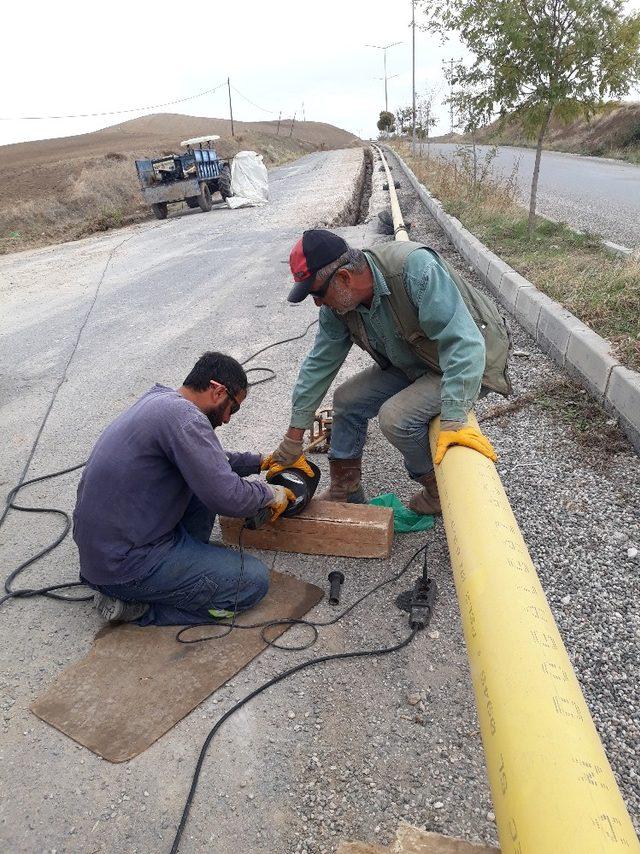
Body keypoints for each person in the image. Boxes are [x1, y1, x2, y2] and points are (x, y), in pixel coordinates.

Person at [263, 230, 511, 515]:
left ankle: (439, 491)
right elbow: (319, 365)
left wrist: (454, 422)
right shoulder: (337, 308)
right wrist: (292, 441)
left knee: (397, 418)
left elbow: (463, 344)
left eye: (317, 294)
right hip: (413, 361)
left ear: (344, 277)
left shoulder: (416, 270)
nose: (317, 304)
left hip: (464, 361)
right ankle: (346, 490)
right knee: (346, 400)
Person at [73, 352, 292, 625]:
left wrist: (260, 462)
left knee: (203, 483)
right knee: (252, 581)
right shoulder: (186, 419)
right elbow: (228, 496)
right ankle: (138, 608)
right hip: (126, 566)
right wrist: (269, 494)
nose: (228, 419)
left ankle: (181, 565)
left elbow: (210, 461)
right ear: (217, 390)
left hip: (106, 553)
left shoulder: (163, 404)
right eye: (232, 407)